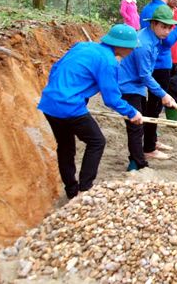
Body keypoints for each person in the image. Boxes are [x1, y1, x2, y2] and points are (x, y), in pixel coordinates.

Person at [38, 24, 143, 199]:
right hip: (69, 106)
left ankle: (71, 191)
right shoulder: (109, 62)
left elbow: (56, 68)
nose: (133, 50)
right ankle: (85, 188)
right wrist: (132, 113)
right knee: (97, 141)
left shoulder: (82, 46)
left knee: (65, 146)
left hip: (49, 102)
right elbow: (111, 99)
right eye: (131, 47)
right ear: (122, 46)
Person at [119, 6, 177, 169]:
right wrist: (163, 95)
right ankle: (136, 164)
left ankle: (141, 156)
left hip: (137, 85)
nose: (167, 31)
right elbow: (144, 75)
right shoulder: (144, 44)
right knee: (135, 124)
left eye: (169, 27)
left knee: (141, 120)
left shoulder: (154, 38)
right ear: (153, 23)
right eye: (163, 27)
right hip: (128, 85)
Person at [139, 0, 177, 156]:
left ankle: (152, 140)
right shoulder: (157, 11)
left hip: (159, 63)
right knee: (154, 106)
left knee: (154, 105)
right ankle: (149, 148)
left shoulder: (150, 8)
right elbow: (167, 41)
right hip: (158, 65)